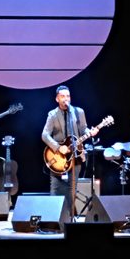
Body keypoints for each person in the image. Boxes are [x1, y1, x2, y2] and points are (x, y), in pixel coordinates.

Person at [41, 85, 98, 214]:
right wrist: (58, 147)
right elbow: (44, 135)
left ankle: (69, 218)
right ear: (57, 99)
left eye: (68, 96)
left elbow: (84, 129)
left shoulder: (78, 112)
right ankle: (53, 218)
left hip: (76, 156)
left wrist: (91, 132)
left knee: (72, 189)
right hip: (57, 157)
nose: (66, 99)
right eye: (62, 96)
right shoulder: (52, 114)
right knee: (55, 188)